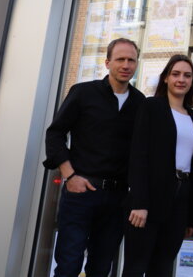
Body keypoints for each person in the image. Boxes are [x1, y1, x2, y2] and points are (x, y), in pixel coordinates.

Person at [44, 38, 146, 277]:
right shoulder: (83, 93)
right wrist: (70, 176)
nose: (126, 65)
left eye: (131, 60)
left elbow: (142, 153)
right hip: (81, 192)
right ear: (107, 62)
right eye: (120, 59)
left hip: (117, 199)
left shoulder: (140, 103)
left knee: (100, 268)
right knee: (68, 265)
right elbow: (55, 133)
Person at [122, 54, 193, 276]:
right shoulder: (151, 107)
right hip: (150, 198)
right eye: (176, 74)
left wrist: (192, 216)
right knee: (135, 267)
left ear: (192, 81)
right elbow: (139, 155)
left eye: (187, 76)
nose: (181, 79)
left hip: (180, 200)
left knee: (162, 268)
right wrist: (139, 202)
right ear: (166, 78)